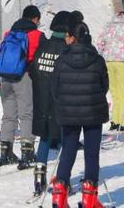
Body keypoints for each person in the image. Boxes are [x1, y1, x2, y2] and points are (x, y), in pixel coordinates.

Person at [51, 22, 109, 208]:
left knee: (68, 151)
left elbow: (55, 88)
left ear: (72, 37)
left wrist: (65, 101)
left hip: (68, 112)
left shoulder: (61, 60)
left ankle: (59, 194)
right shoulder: (97, 60)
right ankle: (89, 197)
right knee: (92, 153)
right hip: (93, 111)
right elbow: (104, 85)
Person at [28, 11, 73, 197]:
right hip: (60, 100)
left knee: (45, 137)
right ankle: (62, 180)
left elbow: (32, 70)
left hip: (40, 99)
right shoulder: (66, 49)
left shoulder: (43, 45)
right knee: (65, 139)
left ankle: (39, 177)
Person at [0, 5, 44, 169]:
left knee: (8, 115)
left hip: (5, 78)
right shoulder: (36, 35)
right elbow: (39, 58)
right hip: (24, 76)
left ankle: (5, 151)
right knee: (26, 114)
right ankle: (27, 150)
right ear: (35, 19)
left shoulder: (8, 34)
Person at [96, 11, 124, 131]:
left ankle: (115, 120)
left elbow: (100, 43)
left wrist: (103, 54)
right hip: (123, 60)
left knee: (114, 91)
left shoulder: (109, 25)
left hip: (108, 60)